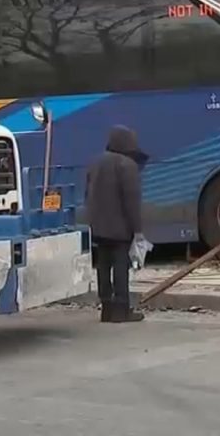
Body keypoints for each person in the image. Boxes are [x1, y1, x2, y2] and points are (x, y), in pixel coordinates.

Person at [86, 125, 148, 323]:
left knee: (103, 267)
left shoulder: (95, 163)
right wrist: (137, 230)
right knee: (121, 267)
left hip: (98, 227)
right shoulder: (127, 165)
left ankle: (106, 309)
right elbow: (132, 201)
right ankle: (121, 310)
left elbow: (87, 195)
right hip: (120, 229)